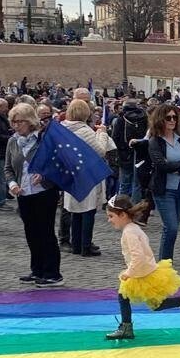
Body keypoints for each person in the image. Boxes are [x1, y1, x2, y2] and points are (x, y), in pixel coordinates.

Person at [104, 194, 180, 340]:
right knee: (151, 303)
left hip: (141, 274)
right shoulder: (133, 228)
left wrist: (129, 272)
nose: (109, 220)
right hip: (145, 271)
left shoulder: (129, 232)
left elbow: (138, 256)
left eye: (111, 216)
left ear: (123, 215)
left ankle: (126, 327)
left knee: (128, 297)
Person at [4, 101, 62, 286]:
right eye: (13, 122)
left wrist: (45, 175)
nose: (15, 125)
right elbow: (7, 168)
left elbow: (58, 164)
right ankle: (36, 269)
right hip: (23, 193)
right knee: (31, 232)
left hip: (44, 192)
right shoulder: (13, 141)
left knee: (45, 231)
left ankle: (52, 272)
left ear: (30, 121)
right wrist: (12, 184)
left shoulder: (45, 139)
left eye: (19, 121)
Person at [145, 102, 180, 262]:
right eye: (169, 117)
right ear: (161, 119)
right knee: (171, 227)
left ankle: (167, 262)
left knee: (173, 229)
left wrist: (176, 167)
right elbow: (161, 165)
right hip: (165, 189)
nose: (173, 120)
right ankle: (164, 264)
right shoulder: (155, 141)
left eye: (175, 117)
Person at [60, 100, 111, 257]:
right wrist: (102, 133)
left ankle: (76, 244)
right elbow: (101, 150)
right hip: (86, 173)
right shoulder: (84, 131)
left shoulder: (62, 128)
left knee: (75, 211)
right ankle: (85, 245)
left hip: (70, 173)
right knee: (88, 211)